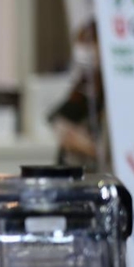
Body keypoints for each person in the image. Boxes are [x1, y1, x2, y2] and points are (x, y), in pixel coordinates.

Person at [48, 19, 110, 173]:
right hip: (71, 169)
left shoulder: (111, 92)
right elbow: (58, 116)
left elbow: (108, 150)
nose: (83, 52)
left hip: (96, 172)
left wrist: (83, 145)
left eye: (89, 44)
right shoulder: (85, 84)